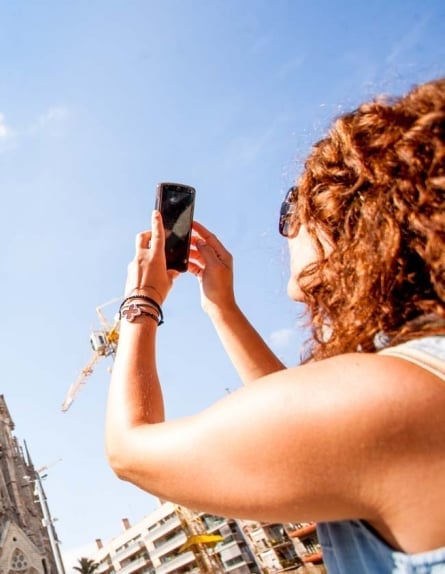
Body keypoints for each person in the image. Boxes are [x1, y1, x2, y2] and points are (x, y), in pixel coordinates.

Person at [105, 77, 445, 573]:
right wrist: (221, 307)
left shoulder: (397, 399)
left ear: (350, 216)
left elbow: (130, 451)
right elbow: (305, 430)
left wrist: (143, 297)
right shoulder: (419, 378)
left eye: (292, 206)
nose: (286, 226)